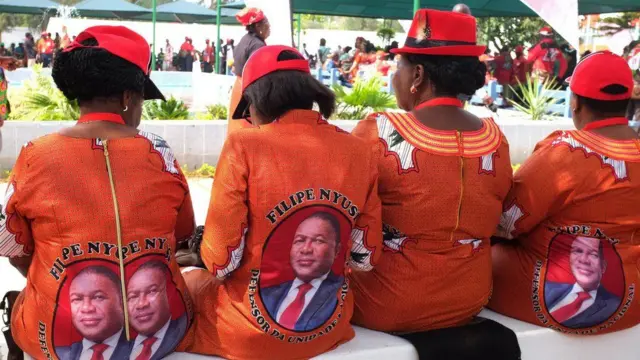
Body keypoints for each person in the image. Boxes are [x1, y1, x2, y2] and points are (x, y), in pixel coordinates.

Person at [0, 25, 195, 359]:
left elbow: (10, 244)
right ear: (127, 98)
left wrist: (65, 272)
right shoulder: (159, 153)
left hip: (55, 342)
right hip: (162, 336)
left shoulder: (35, 155)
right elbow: (183, 234)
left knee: (26, 295)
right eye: (141, 100)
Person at [177, 45, 382, 360]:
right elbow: (364, 257)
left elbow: (220, 261)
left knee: (187, 281)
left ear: (258, 102)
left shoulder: (244, 145)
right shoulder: (359, 151)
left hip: (245, 335)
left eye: (248, 111)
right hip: (329, 329)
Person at [349, 9, 519, 359]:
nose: (395, 77)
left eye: (399, 67)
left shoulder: (379, 132)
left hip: (387, 305)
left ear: (419, 74)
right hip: (468, 300)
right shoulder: (494, 139)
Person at [490, 51, 640, 334]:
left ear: (574, 101)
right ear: (626, 101)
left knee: (472, 257)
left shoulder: (566, 151)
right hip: (632, 303)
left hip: (552, 297)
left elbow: (506, 223)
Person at [261, 213, 345, 332]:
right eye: (300, 240)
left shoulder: (340, 292)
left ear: (337, 250)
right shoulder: (266, 295)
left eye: (318, 241)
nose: (306, 249)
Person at [55, 266, 131, 360]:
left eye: (98, 297)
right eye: (77, 299)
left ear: (122, 301)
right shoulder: (58, 354)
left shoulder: (142, 350)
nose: (86, 308)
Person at [544, 237, 621, 328]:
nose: (583, 260)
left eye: (594, 255)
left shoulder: (615, 306)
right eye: (578, 251)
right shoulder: (545, 287)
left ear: (603, 267)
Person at [127, 261, 188, 360]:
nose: (142, 304)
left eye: (151, 291)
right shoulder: (116, 346)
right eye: (133, 296)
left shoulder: (185, 334)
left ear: (168, 293)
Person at [227, 7, 270, 136]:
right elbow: (259, 74)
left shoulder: (244, 40)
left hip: (239, 89)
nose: (269, 27)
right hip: (250, 93)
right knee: (250, 134)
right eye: (266, 23)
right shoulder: (257, 45)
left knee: (237, 132)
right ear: (258, 26)